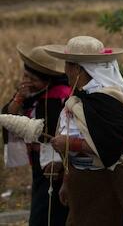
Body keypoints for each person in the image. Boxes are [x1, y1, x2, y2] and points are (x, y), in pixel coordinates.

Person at [44, 36, 123, 226]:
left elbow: (109, 146)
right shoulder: (78, 100)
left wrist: (69, 144)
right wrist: (67, 181)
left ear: (78, 69)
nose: (65, 71)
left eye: (68, 65)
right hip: (82, 182)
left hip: (108, 182)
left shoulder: (105, 101)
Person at [1, 45, 70, 226]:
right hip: (39, 163)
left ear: (47, 80)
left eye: (33, 79)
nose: (27, 82)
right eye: (25, 76)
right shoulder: (30, 94)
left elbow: (48, 132)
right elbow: (8, 114)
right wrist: (19, 98)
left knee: (48, 212)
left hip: (55, 166)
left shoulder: (58, 96)